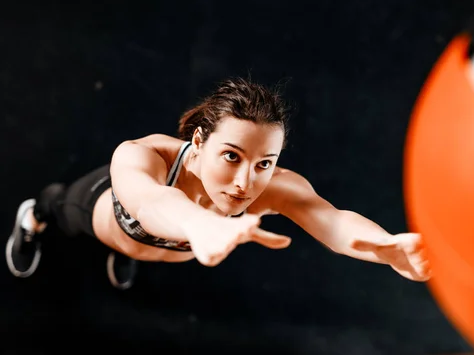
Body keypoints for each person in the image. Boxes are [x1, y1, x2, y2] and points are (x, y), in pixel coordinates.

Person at [6, 77, 431, 290]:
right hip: (103, 216)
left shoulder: (275, 186)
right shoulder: (144, 155)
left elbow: (332, 221)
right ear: (199, 141)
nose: (246, 183)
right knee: (57, 206)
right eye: (232, 156)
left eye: (265, 162)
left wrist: (383, 247)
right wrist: (198, 224)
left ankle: (133, 257)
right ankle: (32, 218)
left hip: (162, 246)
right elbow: (151, 202)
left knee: (149, 249)